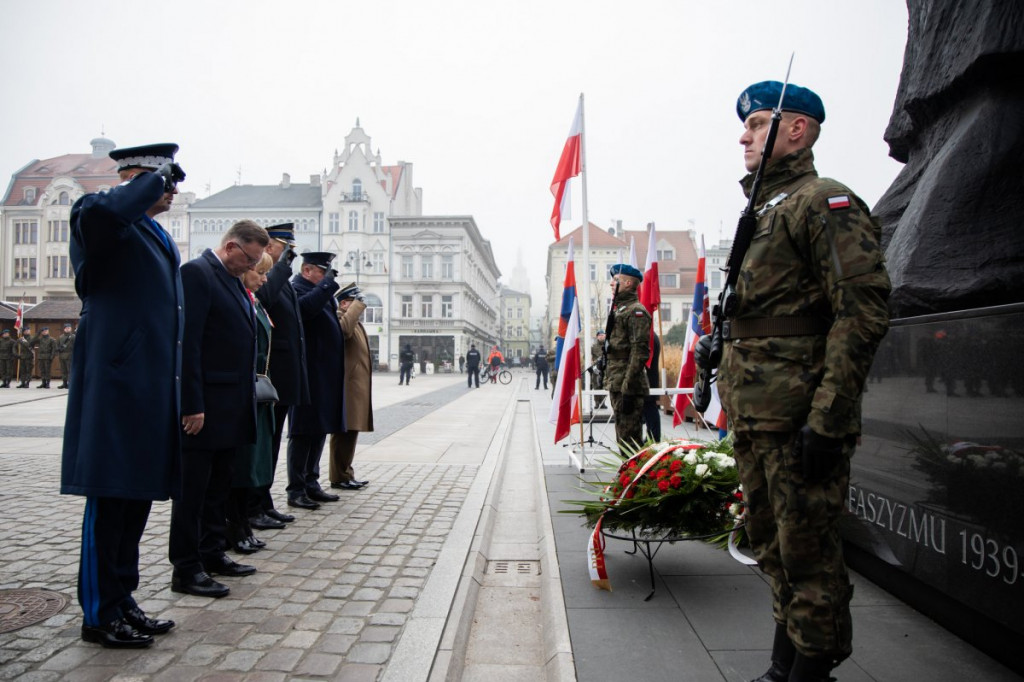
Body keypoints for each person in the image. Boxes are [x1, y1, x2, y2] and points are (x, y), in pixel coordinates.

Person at [720, 81, 891, 682]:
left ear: (799, 129)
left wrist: (830, 416)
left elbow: (861, 310)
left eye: (760, 123)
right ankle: (780, 666)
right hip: (757, 414)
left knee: (809, 554)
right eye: (746, 125)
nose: (745, 135)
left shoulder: (825, 201)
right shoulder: (765, 208)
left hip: (799, 416)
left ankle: (811, 674)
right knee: (771, 544)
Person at [60, 143, 186, 648]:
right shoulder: (96, 214)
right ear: (136, 177)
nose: (171, 190)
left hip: (148, 386)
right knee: (110, 501)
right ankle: (98, 613)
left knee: (134, 500)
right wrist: (151, 178)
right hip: (115, 385)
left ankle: (123, 598)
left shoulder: (150, 231)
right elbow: (112, 208)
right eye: (164, 180)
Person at [169, 220, 269, 599]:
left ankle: (213, 553)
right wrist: (191, 403)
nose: (252, 267)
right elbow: (188, 343)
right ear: (230, 246)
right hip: (205, 408)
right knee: (192, 492)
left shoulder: (231, 278)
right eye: (249, 258)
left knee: (218, 488)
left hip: (230, 406)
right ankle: (186, 567)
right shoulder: (197, 274)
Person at [249, 223, 308, 531]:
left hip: (283, 377)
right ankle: (255, 504)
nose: (290, 254)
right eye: (286, 248)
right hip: (270, 377)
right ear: (270, 246)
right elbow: (266, 299)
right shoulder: (269, 276)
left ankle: (264, 501)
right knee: (264, 446)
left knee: (271, 446)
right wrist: (282, 267)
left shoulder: (280, 277)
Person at [227, 252, 276, 555]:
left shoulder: (254, 302)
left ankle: (243, 524)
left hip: (260, 391)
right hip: (246, 391)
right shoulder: (241, 300)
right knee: (242, 467)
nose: (264, 278)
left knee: (255, 464)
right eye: (260, 272)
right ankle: (236, 528)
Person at [286, 252, 344, 510]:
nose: (328, 277)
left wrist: (325, 286)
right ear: (307, 270)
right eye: (323, 272)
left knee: (319, 429)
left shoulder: (321, 291)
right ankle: (296, 488)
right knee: (302, 432)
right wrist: (326, 285)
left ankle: (312, 482)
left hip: (324, 375)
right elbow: (306, 311)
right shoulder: (296, 289)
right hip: (308, 374)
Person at [329, 283, 373, 491]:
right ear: (345, 303)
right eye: (356, 302)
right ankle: (338, 476)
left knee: (351, 432)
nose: (361, 306)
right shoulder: (340, 317)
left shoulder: (354, 321)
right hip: (347, 386)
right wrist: (354, 308)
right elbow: (343, 331)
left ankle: (346, 473)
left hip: (356, 387)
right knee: (343, 433)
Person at [603, 264, 652, 449]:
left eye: (615, 280)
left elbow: (639, 353)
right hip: (618, 380)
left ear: (628, 283)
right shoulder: (620, 309)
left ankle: (634, 476)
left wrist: (627, 387)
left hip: (628, 384)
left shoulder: (635, 311)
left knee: (630, 440)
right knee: (623, 436)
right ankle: (627, 475)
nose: (611, 284)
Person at [642, 333, 662, 442]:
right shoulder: (651, 335)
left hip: (647, 381)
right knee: (649, 410)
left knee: (650, 409)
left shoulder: (649, 336)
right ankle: (652, 438)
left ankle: (653, 439)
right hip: (649, 381)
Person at [56, 323, 76, 389]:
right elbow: (57, 345)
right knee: (63, 370)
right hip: (62, 355)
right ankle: (64, 383)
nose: (68, 329)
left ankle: (70, 383)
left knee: (69, 370)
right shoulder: (60, 337)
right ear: (64, 329)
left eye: (69, 328)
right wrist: (58, 349)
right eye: (66, 328)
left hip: (70, 355)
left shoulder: (73, 337)